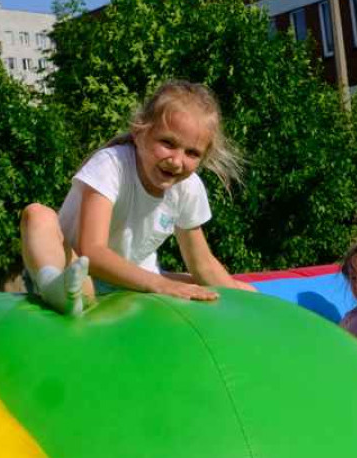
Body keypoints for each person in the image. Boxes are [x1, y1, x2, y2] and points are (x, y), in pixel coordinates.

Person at [20, 80, 256, 315]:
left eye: (192, 153)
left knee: (241, 289)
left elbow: (202, 264)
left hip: (129, 280)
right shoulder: (112, 165)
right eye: (167, 143)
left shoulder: (187, 188)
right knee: (37, 215)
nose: (176, 161)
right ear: (140, 132)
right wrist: (161, 285)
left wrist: (237, 297)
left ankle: (76, 293)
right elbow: (92, 250)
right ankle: (54, 287)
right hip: (74, 267)